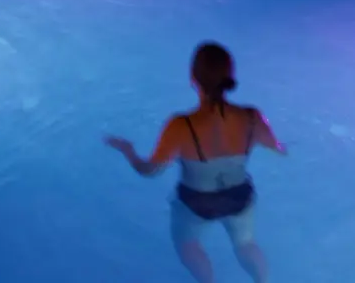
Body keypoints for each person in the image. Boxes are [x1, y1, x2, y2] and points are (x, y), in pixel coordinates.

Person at [105, 42, 285, 283]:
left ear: (193, 79)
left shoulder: (180, 126)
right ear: (230, 77)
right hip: (239, 198)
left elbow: (150, 171)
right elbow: (278, 149)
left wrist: (129, 151)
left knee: (188, 244)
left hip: (197, 203)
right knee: (246, 244)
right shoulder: (252, 118)